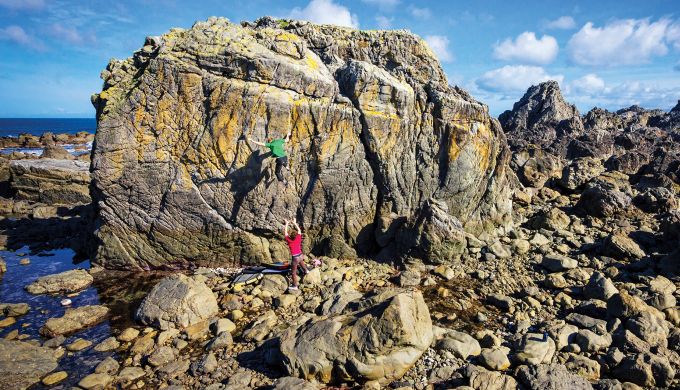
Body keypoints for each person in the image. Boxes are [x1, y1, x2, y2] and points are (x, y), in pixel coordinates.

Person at [284, 218, 309, 290]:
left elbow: (285, 232)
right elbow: (299, 230)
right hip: (301, 255)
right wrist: (295, 223)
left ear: (290, 236)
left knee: (293, 273)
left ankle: (295, 285)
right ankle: (306, 270)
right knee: (301, 261)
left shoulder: (289, 240)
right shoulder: (298, 237)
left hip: (295, 258)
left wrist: (286, 223)